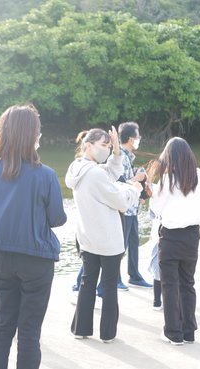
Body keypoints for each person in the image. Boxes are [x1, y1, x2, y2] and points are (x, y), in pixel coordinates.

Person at [0, 104, 67, 369]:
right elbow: (57, 218)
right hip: (36, 261)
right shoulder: (46, 175)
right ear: (32, 135)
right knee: (29, 333)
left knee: (2, 327)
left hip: (2, 260)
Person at [66, 127, 141, 343]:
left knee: (87, 283)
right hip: (107, 239)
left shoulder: (77, 168)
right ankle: (107, 333)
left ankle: (81, 328)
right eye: (103, 146)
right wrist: (134, 188)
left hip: (87, 237)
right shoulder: (95, 173)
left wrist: (117, 152)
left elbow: (109, 173)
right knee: (109, 285)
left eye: (108, 146)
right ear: (88, 145)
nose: (106, 150)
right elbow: (120, 202)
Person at [150, 137, 200, 345]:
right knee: (188, 283)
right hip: (192, 235)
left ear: (169, 157)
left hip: (171, 236)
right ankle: (189, 331)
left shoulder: (168, 180)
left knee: (169, 285)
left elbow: (156, 209)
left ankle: (173, 332)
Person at [117, 121, 152, 289]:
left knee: (133, 243)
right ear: (131, 139)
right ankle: (115, 278)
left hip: (132, 208)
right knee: (120, 245)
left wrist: (139, 194)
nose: (139, 139)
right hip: (124, 210)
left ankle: (134, 275)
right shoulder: (121, 158)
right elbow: (118, 184)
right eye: (138, 137)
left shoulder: (128, 156)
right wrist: (137, 179)